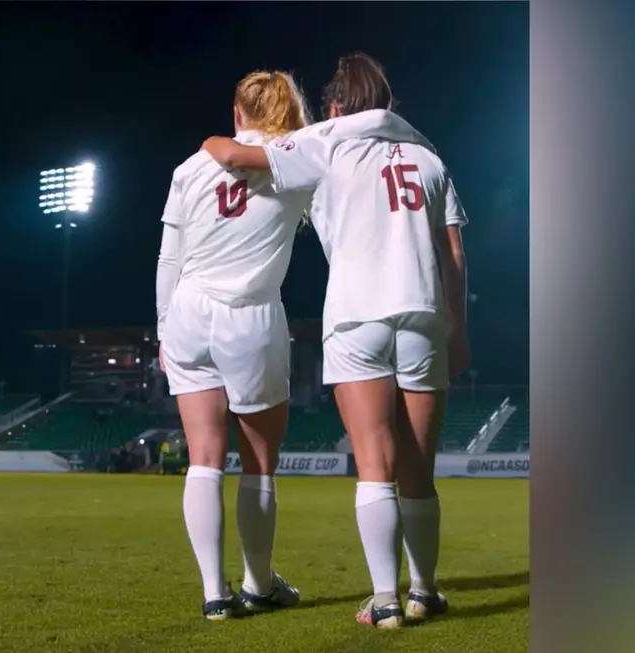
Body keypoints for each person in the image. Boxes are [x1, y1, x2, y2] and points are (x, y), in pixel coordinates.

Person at [200, 53, 471, 629]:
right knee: (420, 468)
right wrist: (458, 326)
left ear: (335, 105)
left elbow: (237, 155)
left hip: (356, 315)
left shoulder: (326, 141)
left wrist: (213, 139)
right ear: (390, 102)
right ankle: (424, 591)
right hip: (422, 313)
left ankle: (386, 600)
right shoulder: (429, 155)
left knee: (375, 464)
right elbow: (453, 252)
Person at [155, 70, 313, 621]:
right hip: (251, 315)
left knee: (202, 459)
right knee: (259, 466)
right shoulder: (299, 161)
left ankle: (213, 594)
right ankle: (258, 583)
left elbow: (168, 259)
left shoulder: (189, 168)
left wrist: (162, 326)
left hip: (188, 311)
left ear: (238, 111)